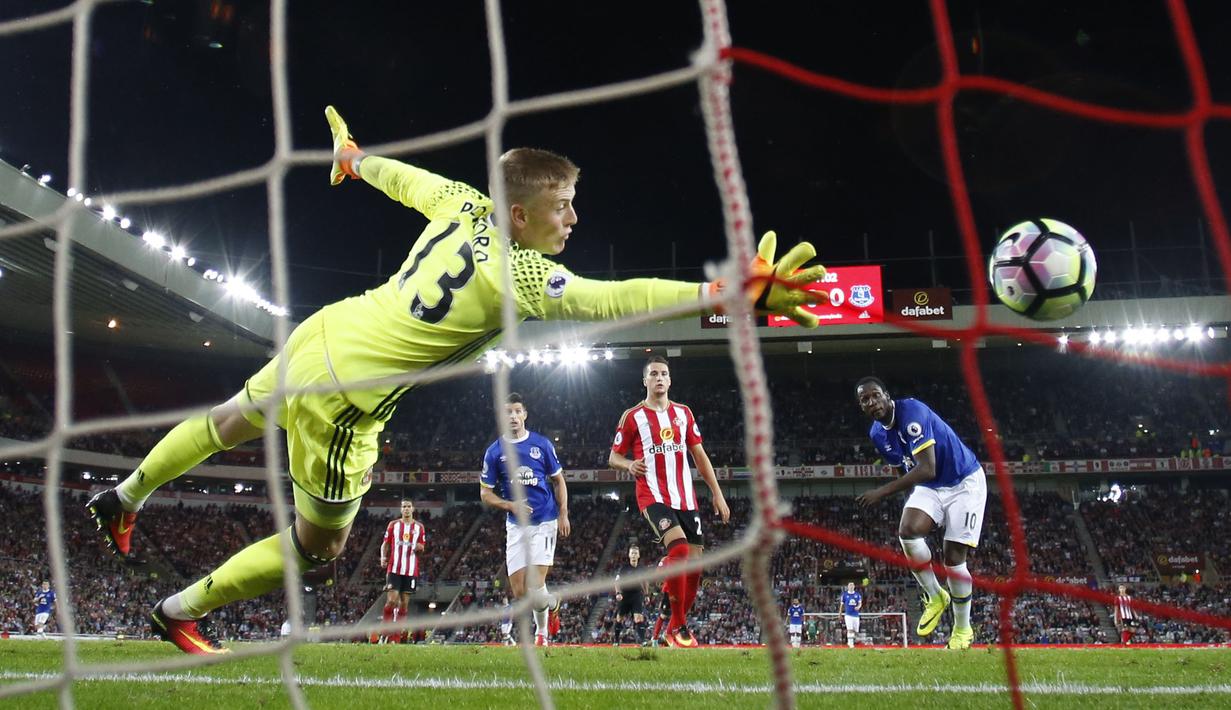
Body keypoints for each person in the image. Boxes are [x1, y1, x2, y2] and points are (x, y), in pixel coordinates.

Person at [85, 105, 825, 655]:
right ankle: (179, 611)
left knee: (227, 421)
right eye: (560, 207)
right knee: (319, 549)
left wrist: (352, 157)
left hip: (323, 332)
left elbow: (399, 180)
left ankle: (124, 497)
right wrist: (722, 291)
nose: (573, 216)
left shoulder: (460, 202)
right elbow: (613, 296)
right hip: (345, 401)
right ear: (519, 214)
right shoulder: (523, 274)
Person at [854, 376, 986, 651]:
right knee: (908, 532)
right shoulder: (877, 434)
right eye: (865, 400)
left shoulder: (912, 412)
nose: (872, 402)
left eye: (875, 395)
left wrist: (881, 492)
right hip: (930, 487)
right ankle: (936, 596)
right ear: (862, 407)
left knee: (953, 561)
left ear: (887, 396)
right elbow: (907, 468)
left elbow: (926, 467)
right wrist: (914, 505)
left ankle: (962, 630)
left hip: (964, 482)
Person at [609, 356, 731, 648]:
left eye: (664, 373)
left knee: (694, 568)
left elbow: (699, 456)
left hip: (685, 497)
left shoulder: (684, 413)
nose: (659, 378)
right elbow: (613, 457)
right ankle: (679, 626)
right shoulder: (633, 416)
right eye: (654, 374)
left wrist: (717, 492)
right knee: (678, 548)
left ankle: (671, 627)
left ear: (670, 379)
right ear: (645, 381)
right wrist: (629, 466)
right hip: (652, 495)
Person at [480, 393, 570, 646]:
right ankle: (552, 603)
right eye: (507, 412)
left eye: (517, 411)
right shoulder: (495, 451)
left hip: (545, 521)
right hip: (515, 525)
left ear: (524, 415)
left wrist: (563, 514)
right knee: (520, 591)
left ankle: (541, 634)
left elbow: (559, 480)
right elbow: (485, 493)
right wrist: (510, 505)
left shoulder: (541, 445)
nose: (513, 416)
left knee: (534, 584)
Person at [379, 499, 426, 644]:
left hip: (411, 571)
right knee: (392, 601)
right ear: (401, 509)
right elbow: (385, 544)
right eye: (404, 506)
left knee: (404, 604)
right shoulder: (393, 525)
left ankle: (396, 637)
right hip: (393, 569)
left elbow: (422, 548)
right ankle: (385, 632)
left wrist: (420, 548)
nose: (406, 509)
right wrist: (382, 557)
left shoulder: (419, 527)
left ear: (413, 509)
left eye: (408, 506)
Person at [613, 543, 650, 646]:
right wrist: (618, 593)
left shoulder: (642, 569)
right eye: (632, 553)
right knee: (619, 618)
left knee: (638, 618)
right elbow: (617, 582)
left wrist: (646, 595)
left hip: (636, 595)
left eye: (635, 553)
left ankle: (643, 641)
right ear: (629, 555)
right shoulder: (624, 568)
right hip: (625, 595)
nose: (634, 555)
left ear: (639, 555)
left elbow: (645, 582)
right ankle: (616, 640)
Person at [841, 582, 863, 648]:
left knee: (856, 630)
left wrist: (858, 607)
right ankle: (851, 644)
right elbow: (841, 605)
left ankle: (853, 641)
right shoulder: (844, 595)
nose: (851, 586)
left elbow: (860, 603)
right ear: (848, 587)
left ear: (854, 586)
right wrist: (840, 613)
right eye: (850, 585)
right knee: (850, 629)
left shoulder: (857, 595)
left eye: (852, 585)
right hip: (848, 615)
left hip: (856, 615)